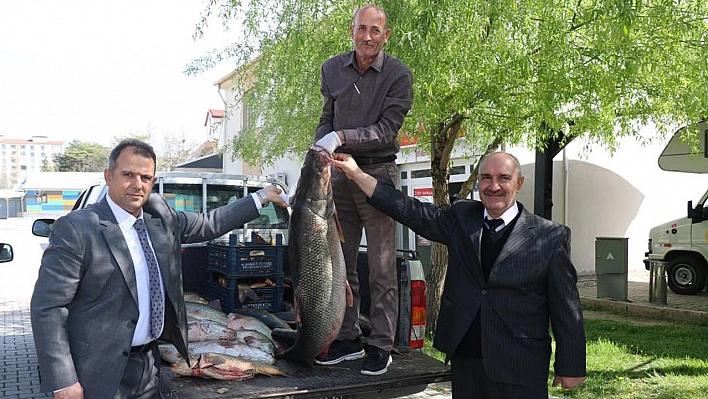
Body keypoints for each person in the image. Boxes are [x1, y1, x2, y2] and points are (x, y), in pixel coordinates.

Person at [30, 139, 288, 399]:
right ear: (109, 176)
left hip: (149, 368)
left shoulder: (160, 217)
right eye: (128, 175)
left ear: (152, 183)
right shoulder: (77, 228)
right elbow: (48, 307)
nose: (137, 184)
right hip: (97, 372)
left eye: (145, 177)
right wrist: (63, 382)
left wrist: (262, 196)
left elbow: (211, 223)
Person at [331, 151, 586, 398]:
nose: (493, 186)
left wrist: (571, 366)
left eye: (503, 178)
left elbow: (566, 307)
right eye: (486, 177)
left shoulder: (550, 237)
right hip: (467, 360)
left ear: (519, 183)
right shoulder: (463, 218)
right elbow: (412, 211)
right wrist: (357, 175)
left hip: (520, 363)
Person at [312, 3, 414, 376]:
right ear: (352, 30)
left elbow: (387, 130)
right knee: (342, 261)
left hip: (377, 176)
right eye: (361, 29)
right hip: (337, 173)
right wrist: (319, 149)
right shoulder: (331, 69)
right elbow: (326, 117)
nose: (367, 36)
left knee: (382, 268)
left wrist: (340, 136)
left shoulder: (399, 75)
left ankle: (381, 345)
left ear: (385, 35)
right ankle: (347, 336)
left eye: (375, 30)